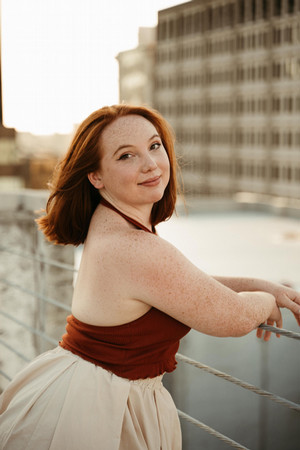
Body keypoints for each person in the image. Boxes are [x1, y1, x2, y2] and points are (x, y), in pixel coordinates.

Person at [0, 104, 299, 450]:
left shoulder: (110, 224)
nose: (150, 164)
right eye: (127, 156)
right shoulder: (134, 247)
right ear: (96, 176)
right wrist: (265, 302)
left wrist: (259, 286)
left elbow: (184, 284)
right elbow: (229, 317)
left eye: (155, 146)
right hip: (102, 410)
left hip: (84, 389)